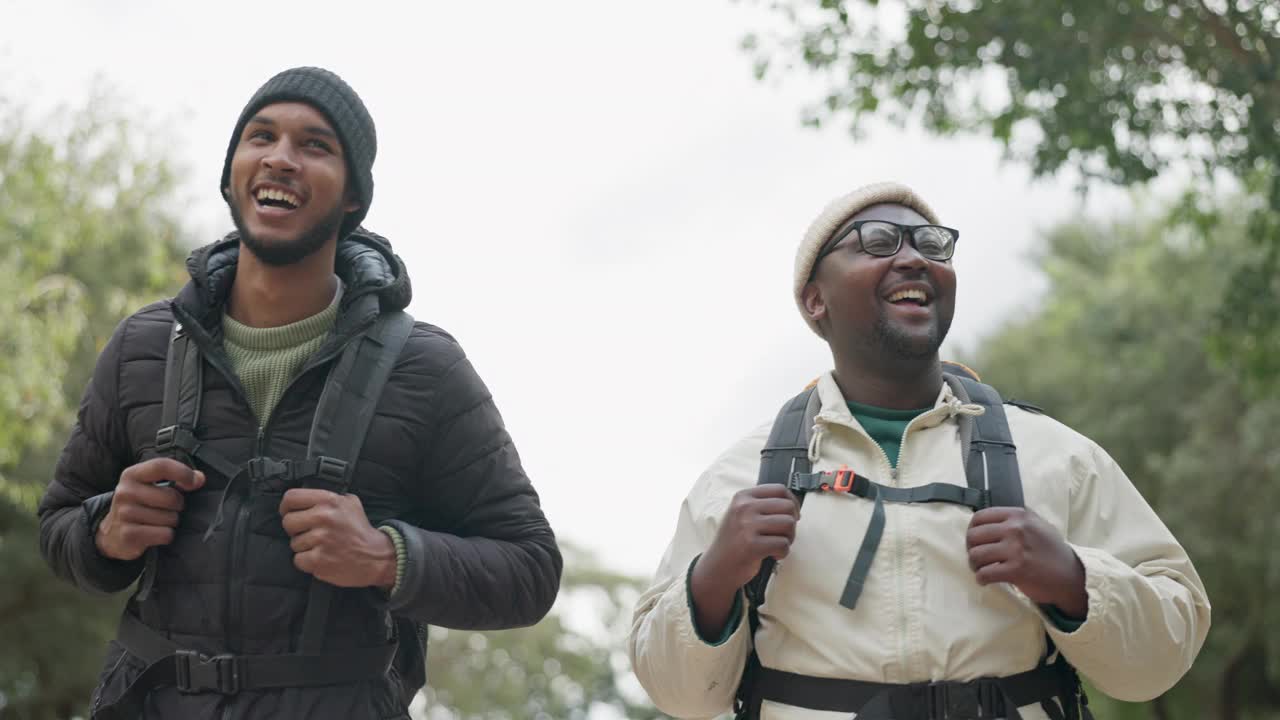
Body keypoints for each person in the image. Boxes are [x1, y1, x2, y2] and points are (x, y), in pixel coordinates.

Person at [37, 67, 561, 720]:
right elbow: (57, 525)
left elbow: (531, 570)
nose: (281, 159)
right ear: (233, 173)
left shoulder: (425, 367)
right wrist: (104, 531)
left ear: (352, 196)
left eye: (315, 145)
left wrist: (385, 557)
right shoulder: (143, 346)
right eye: (261, 137)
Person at [628, 181, 1210, 719]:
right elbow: (679, 696)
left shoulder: (1057, 457)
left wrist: (1074, 581)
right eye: (876, 242)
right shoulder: (742, 476)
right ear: (814, 301)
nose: (913, 259)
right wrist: (714, 579)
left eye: (932, 245)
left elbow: (1161, 661)